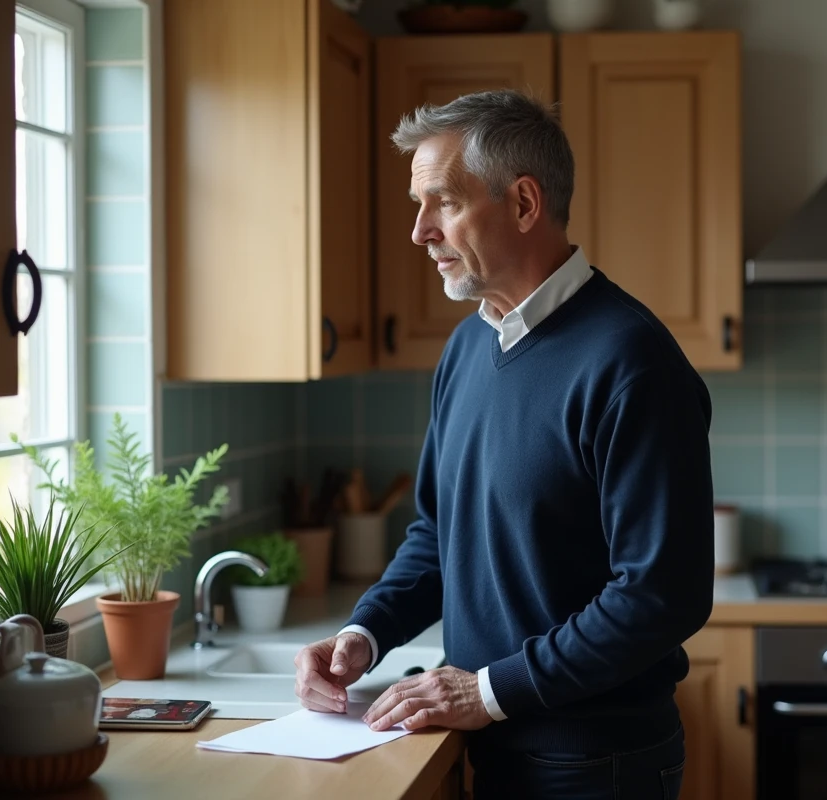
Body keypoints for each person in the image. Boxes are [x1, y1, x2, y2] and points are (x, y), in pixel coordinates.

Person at [293, 88, 715, 799]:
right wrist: (364, 635)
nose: (419, 231)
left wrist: (486, 691)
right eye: (418, 205)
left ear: (523, 204)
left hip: (595, 764)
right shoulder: (467, 347)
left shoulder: (632, 362)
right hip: (492, 747)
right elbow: (439, 533)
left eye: (443, 203)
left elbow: (660, 596)